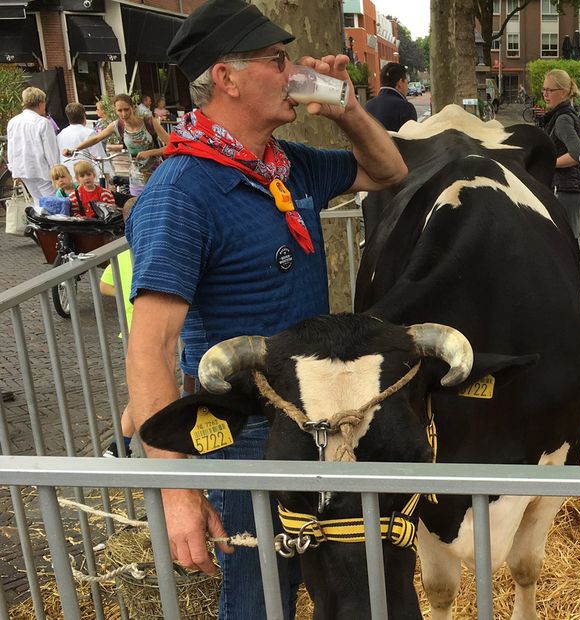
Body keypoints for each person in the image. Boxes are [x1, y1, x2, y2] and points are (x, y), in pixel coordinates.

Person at [125, 0, 407, 618]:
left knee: (313, 574)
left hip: (307, 421)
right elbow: (150, 348)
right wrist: (177, 494)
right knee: (259, 594)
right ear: (225, 78)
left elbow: (387, 171)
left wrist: (350, 110)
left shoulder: (286, 163)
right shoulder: (182, 192)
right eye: (277, 61)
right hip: (240, 435)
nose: (293, 72)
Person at [63, 94, 170, 196]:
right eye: (120, 110)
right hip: (136, 178)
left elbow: (171, 145)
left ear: (133, 108)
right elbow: (96, 138)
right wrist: (74, 149)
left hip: (158, 175)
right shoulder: (117, 126)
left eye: (126, 109)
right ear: (116, 111)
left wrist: (150, 152)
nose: (123, 114)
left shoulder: (150, 122)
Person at [100, 197, 138, 459]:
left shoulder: (122, 255)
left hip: (131, 332)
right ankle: (119, 445)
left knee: (141, 390)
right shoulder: (157, 248)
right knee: (146, 391)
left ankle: (119, 444)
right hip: (159, 336)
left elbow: (104, 286)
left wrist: (125, 293)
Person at [541, 68, 580, 239]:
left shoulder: (562, 119)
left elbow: (577, 154)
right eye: (543, 89)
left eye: (549, 90)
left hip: (567, 188)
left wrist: (547, 162)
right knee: (563, 238)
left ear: (563, 92)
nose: (545, 94)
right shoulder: (559, 116)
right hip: (566, 186)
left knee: (566, 238)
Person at [6, 86, 60, 203]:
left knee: (38, 202)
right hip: (42, 171)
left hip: (23, 170)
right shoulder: (42, 122)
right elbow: (51, 151)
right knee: (55, 204)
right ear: (40, 103)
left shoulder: (13, 122)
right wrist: (57, 171)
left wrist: (13, 168)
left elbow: (11, 148)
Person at [57, 103, 110, 178]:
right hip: (86, 177)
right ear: (84, 116)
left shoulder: (60, 135)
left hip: (67, 176)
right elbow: (98, 157)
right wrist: (107, 177)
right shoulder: (89, 133)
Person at [364, 61, 417, 131]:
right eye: (407, 82)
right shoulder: (406, 108)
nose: (407, 87)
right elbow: (411, 138)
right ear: (400, 82)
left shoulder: (368, 106)